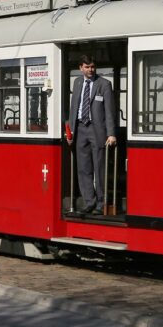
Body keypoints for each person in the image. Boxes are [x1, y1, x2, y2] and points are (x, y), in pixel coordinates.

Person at [66, 55, 117, 214]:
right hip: (80, 129)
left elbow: (109, 111)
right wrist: (70, 131)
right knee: (83, 168)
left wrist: (111, 133)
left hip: (97, 130)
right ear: (81, 68)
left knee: (99, 167)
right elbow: (74, 107)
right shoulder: (77, 82)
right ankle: (89, 201)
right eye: (87, 67)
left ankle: (101, 203)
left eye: (93, 67)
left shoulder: (104, 84)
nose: (90, 70)